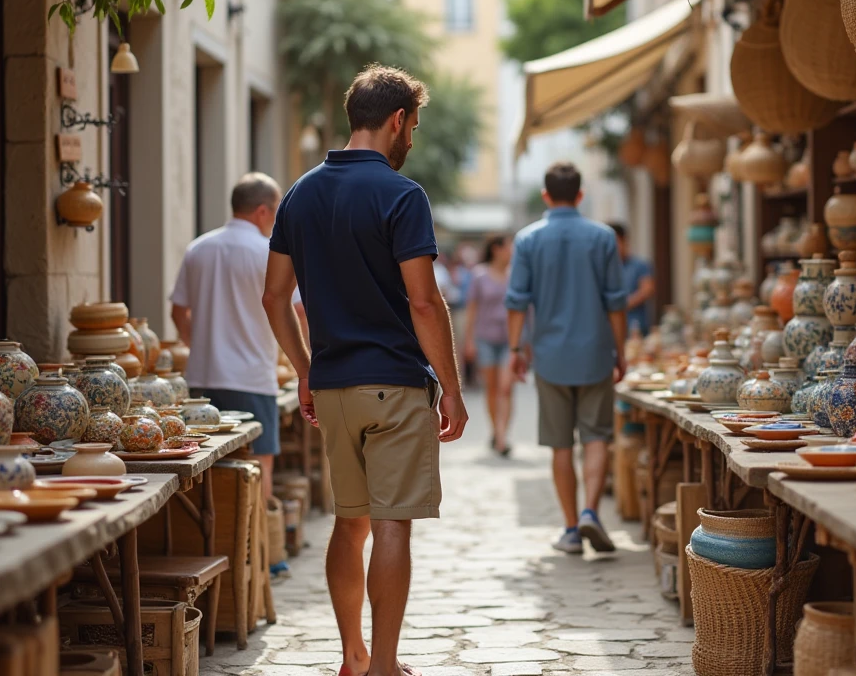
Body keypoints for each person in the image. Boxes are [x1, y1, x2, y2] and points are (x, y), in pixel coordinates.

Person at [262, 63, 468, 676]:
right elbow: (424, 303)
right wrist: (452, 389)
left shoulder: (299, 194)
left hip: (333, 390)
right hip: (395, 387)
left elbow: (274, 296)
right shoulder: (402, 196)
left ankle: (352, 656)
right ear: (397, 120)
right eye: (414, 127)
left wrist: (304, 369)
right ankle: (383, 666)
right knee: (391, 526)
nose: (412, 140)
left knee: (349, 525)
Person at [505, 162, 628, 554]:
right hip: (595, 354)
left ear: (545, 195)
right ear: (580, 194)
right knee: (596, 437)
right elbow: (616, 303)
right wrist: (621, 352)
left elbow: (516, 301)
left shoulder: (527, 239)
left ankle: (571, 529)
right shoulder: (603, 237)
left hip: (550, 356)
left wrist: (515, 349)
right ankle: (591, 510)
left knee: (560, 445)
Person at [170, 172, 296, 503]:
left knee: (205, 468)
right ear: (263, 211)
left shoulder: (198, 248)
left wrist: (198, 346)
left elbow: (178, 311)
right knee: (258, 462)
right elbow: (297, 311)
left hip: (202, 378)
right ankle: (258, 536)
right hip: (251, 378)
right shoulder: (270, 252)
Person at [463, 235, 514, 456]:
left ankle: (502, 436)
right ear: (496, 249)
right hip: (485, 339)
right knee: (492, 389)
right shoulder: (479, 275)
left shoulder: (515, 274)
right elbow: (471, 309)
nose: (512, 251)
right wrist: (469, 341)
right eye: (509, 246)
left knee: (506, 388)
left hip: (510, 340)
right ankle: (496, 430)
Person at [609, 222, 656, 336]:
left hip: (636, 326)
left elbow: (647, 289)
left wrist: (622, 304)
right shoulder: (607, 268)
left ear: (624, 241)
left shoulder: (639, 265)